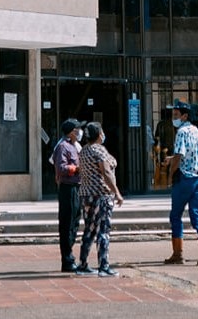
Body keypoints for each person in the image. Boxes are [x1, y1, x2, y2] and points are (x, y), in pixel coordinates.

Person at [163, 101, 198, 266]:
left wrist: (171, 173)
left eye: (176, 115)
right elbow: (192, 152)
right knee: (197, 215)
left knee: (175, 215)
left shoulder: (181, 132)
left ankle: (178, 254)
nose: (174, 118)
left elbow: (178, 156)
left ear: (184, 116)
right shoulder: (195, 130)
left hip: (184, 178)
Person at [75, 121, 124, 277]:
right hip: (101, 195)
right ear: (98, 134)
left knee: (89, 229)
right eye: (101, 132)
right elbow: (107, 173)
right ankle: (104, 265)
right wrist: (116, 192)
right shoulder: (99, 151)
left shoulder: (83, 151)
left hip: (85, 194)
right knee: (103, 229)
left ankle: (83, 264)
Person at [51, 119, 83, 273]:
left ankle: (69, 255)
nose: (79, 132)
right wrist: (77, 169)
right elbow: (61, 167)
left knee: (74, 222)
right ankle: (67, 259)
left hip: (76, 188)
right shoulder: (63, 147)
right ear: (71, 131)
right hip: (67, 188)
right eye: (77, 129)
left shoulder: (73, 146)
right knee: (67, 224)